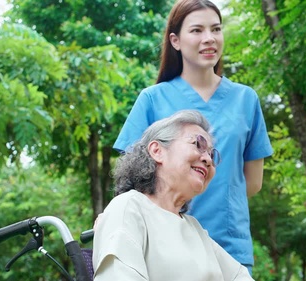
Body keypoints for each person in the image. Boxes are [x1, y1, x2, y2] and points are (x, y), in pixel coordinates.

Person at [113, 0, 273, 273]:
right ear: (175, 40)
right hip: (165, 246)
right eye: (197, 30)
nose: (209, 38)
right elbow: (130, 179)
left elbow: (253, 182)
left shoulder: (246, 99)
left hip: (230, 247)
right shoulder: (152, 99)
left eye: (216, 29)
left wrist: (221, 204)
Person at [93, 110, 254, 280]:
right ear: (157, 151)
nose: (208, 159)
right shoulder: (128, 208)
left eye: (212, 155)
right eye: (198, 144)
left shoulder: (195, 229)